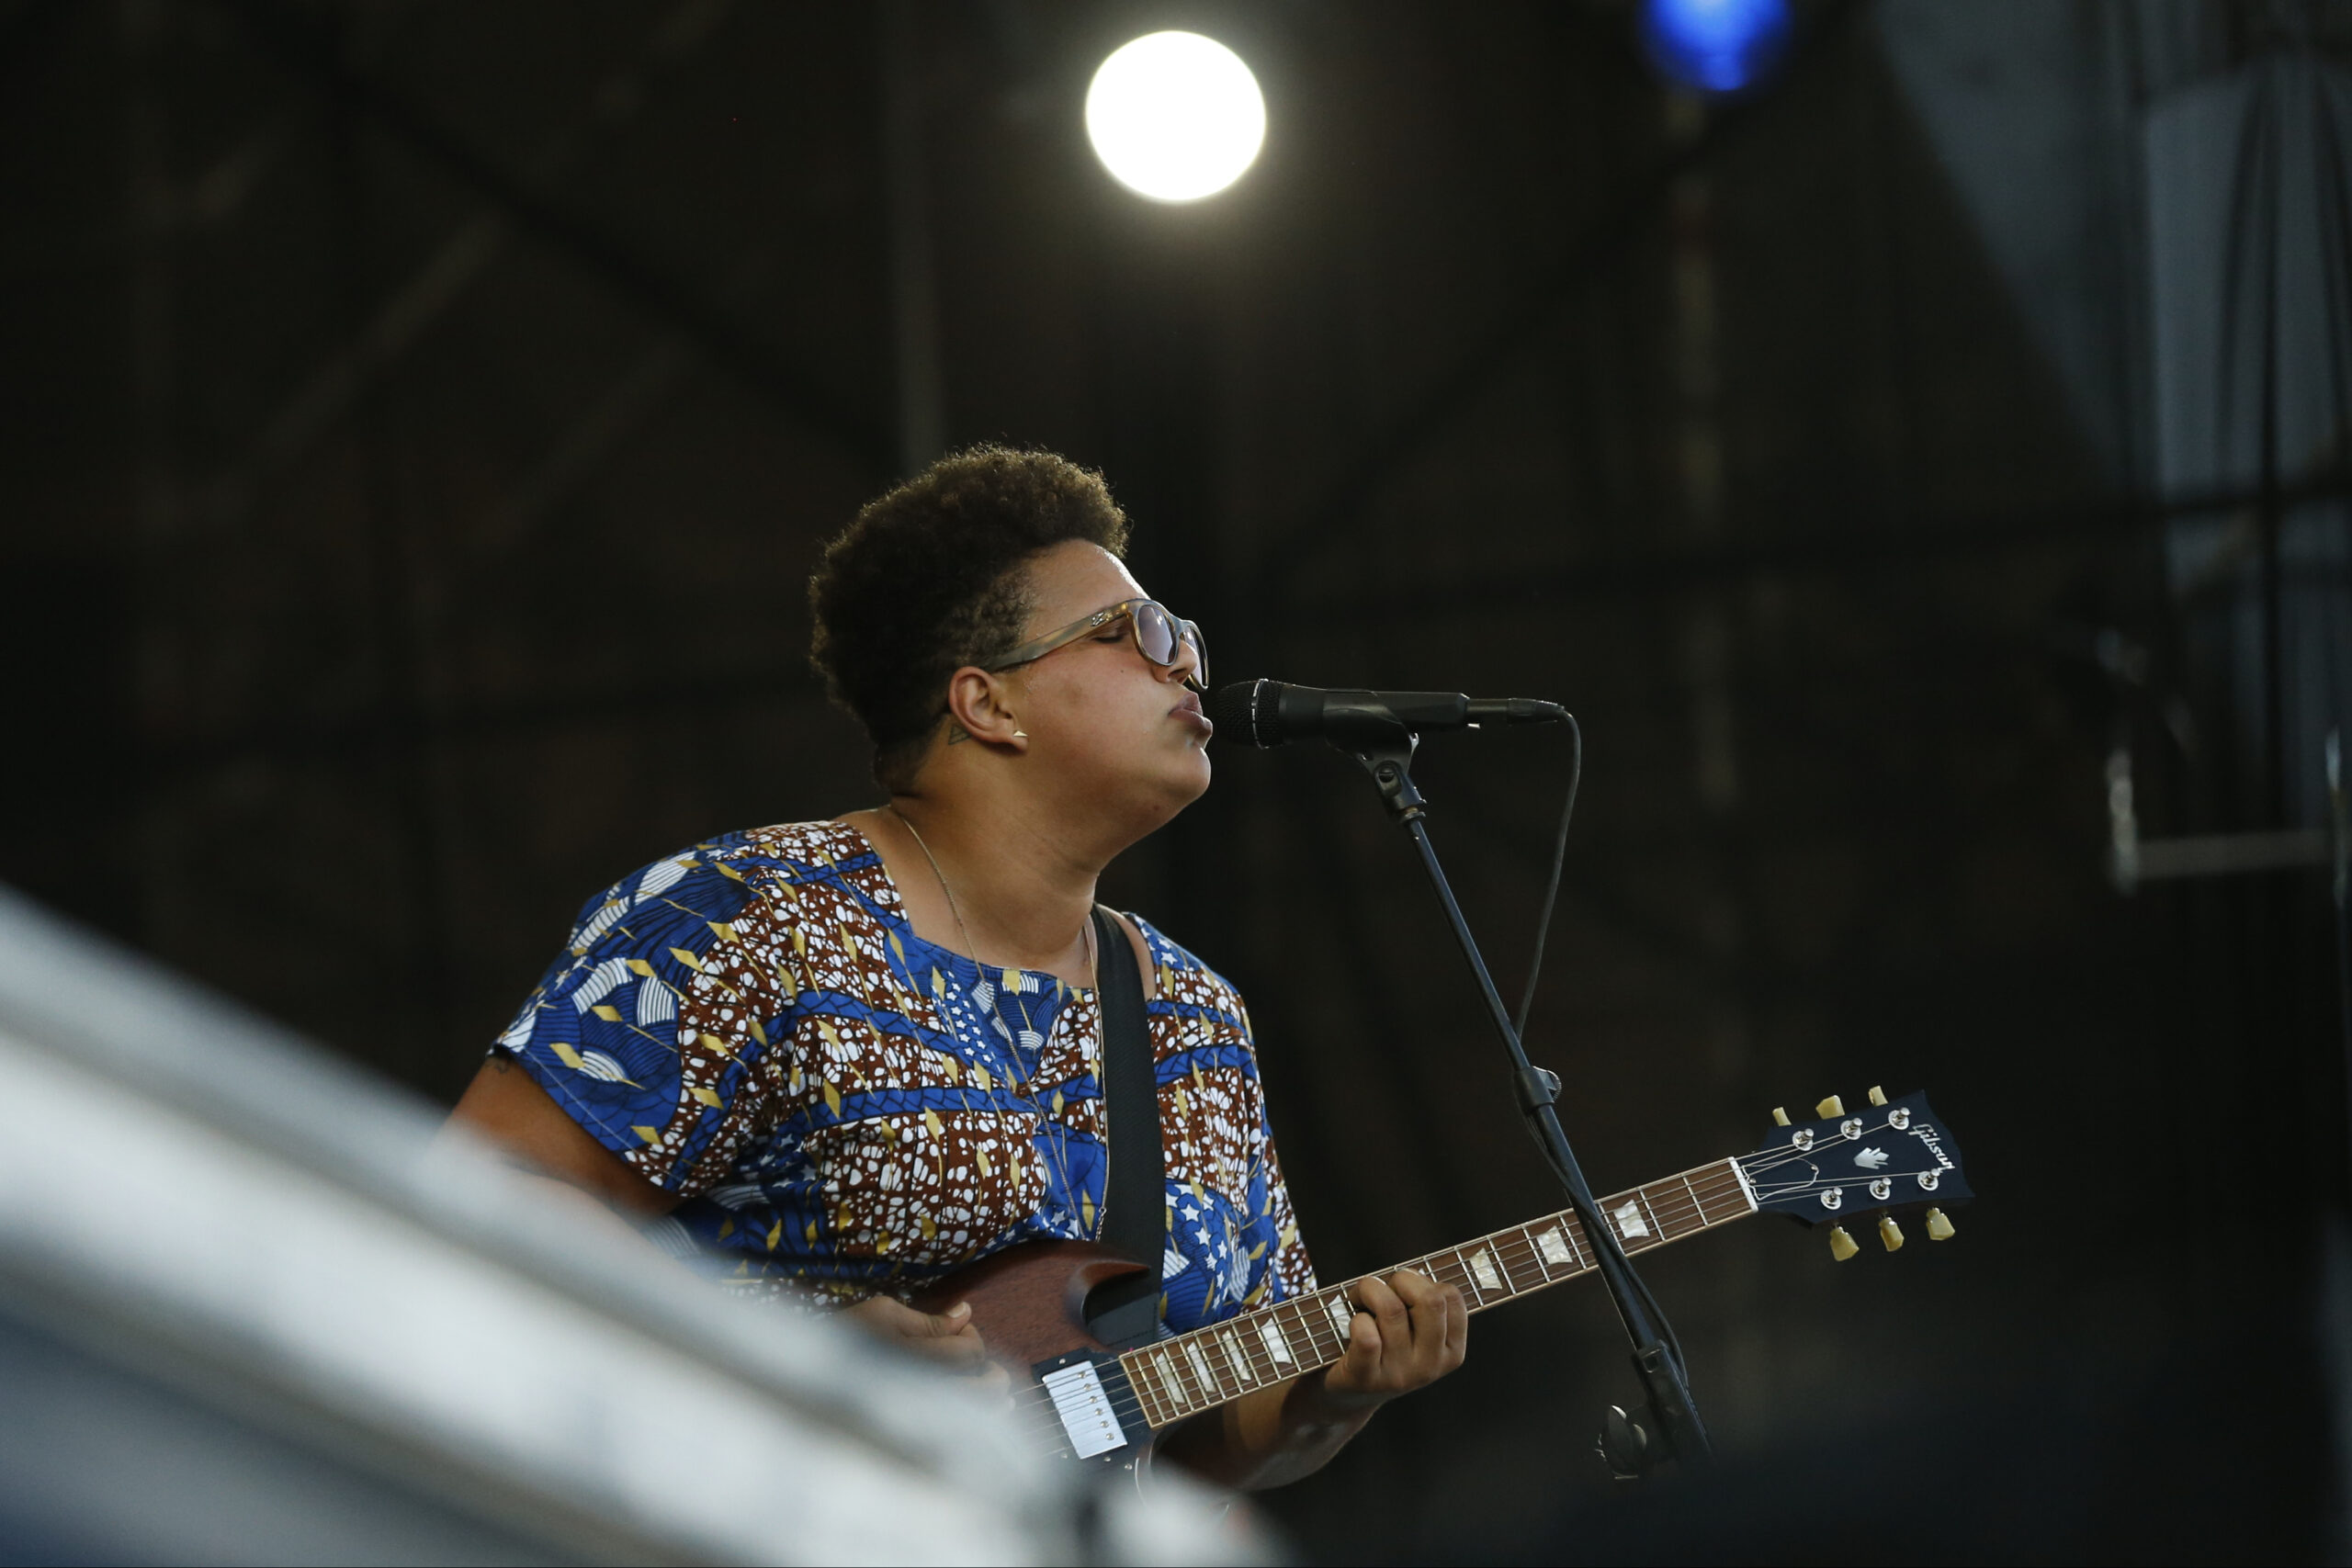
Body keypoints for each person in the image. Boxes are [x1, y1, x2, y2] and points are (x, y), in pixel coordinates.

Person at [446, 446, 1464, 1489]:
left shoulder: (1194, 1017)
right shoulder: (750, 916)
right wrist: (789, 1348)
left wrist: (1337, 1396)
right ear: (987, 705)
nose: (1183, 664)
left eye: (1183, 636)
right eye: (1130, 633)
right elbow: (478, 1202)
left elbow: (1187, 1438)